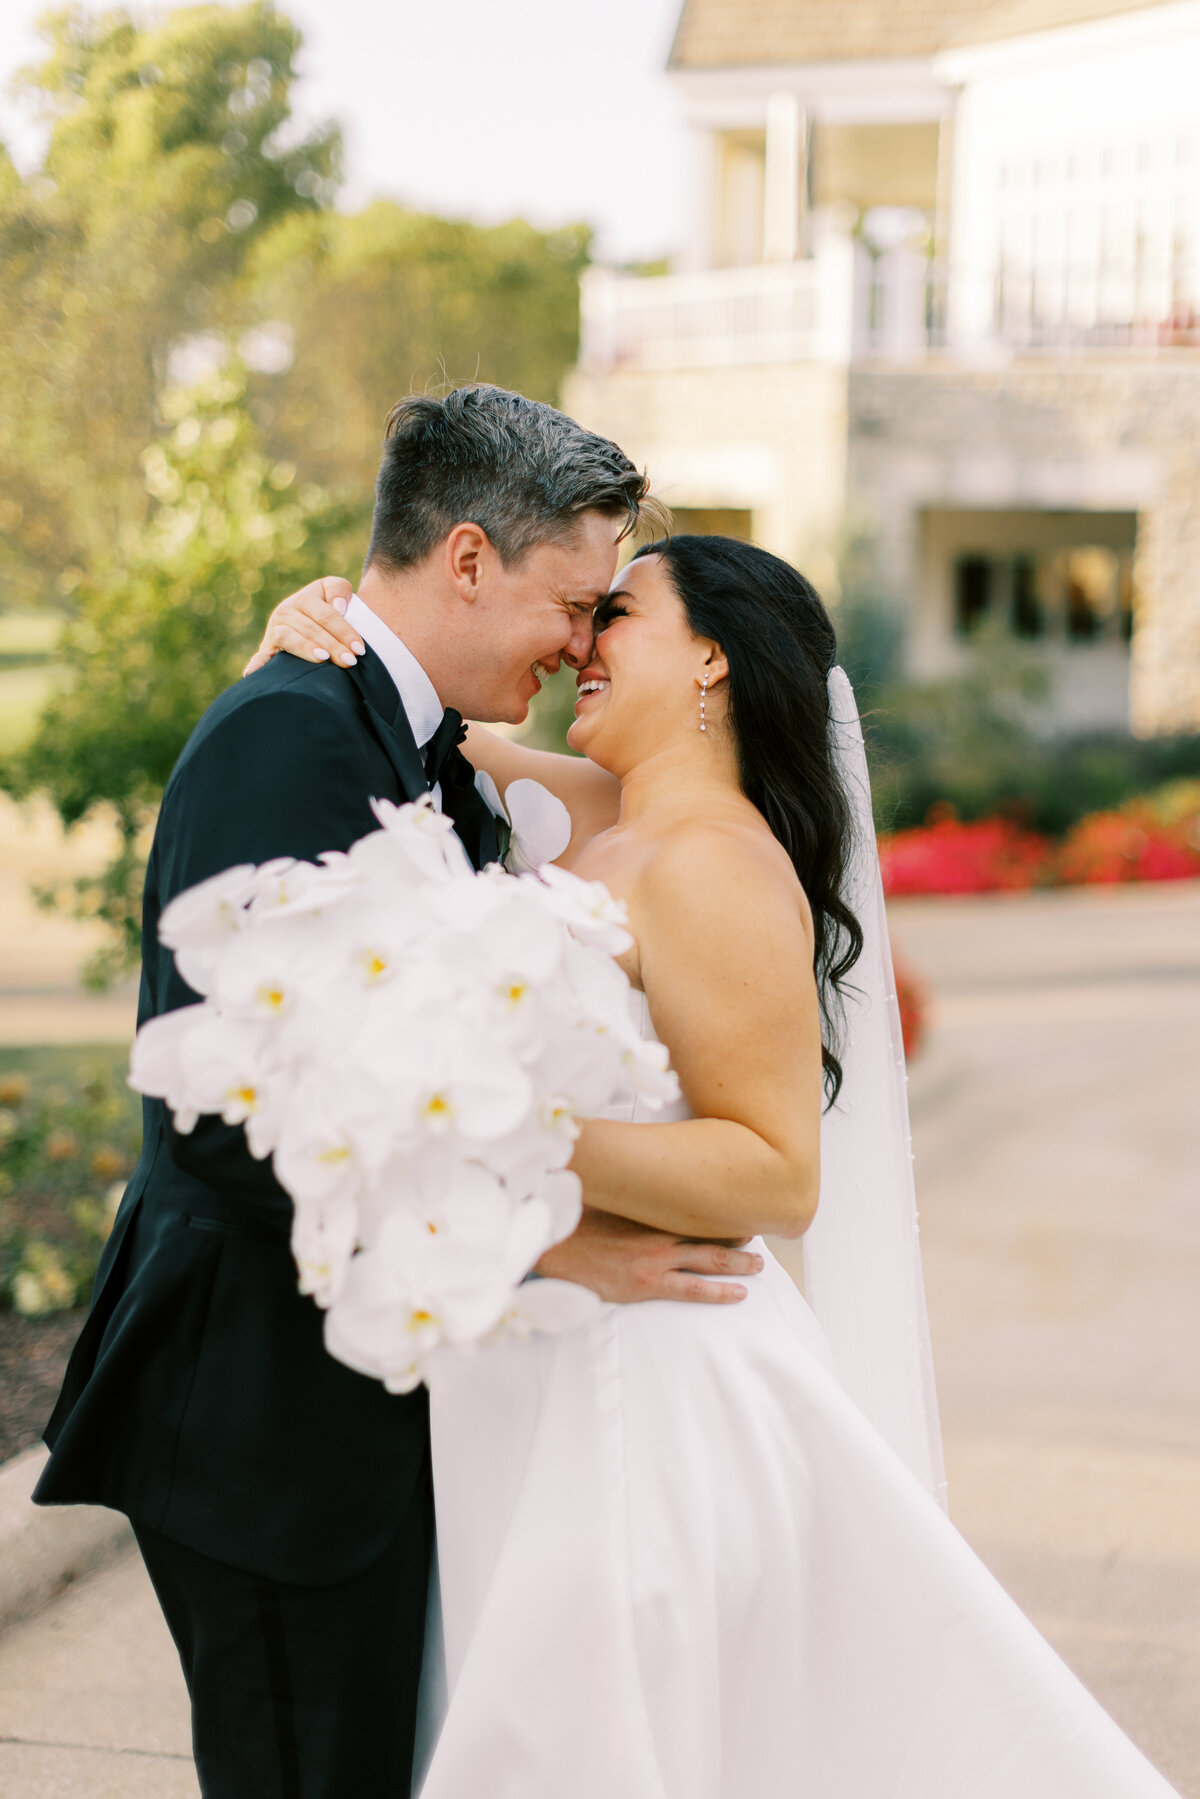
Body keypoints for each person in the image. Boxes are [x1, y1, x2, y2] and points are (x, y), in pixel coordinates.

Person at [262, 531, 1182, 1798]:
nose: (581, 643)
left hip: (643, 1376)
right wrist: (322, 624)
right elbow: (393, 714)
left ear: (710, 658)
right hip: (531, 1369)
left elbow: (774, 1169)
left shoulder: (717, 863)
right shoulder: (602, 818)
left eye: (618, 615)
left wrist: (490, 1127)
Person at [31, 387, 763, 1799]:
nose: (579, 642)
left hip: (354, 1415)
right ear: (471, 558)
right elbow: (237, 1119)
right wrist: (548, 1244)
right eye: (574, 599)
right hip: (264, 1423)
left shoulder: (412, 742)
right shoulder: (291, 734)